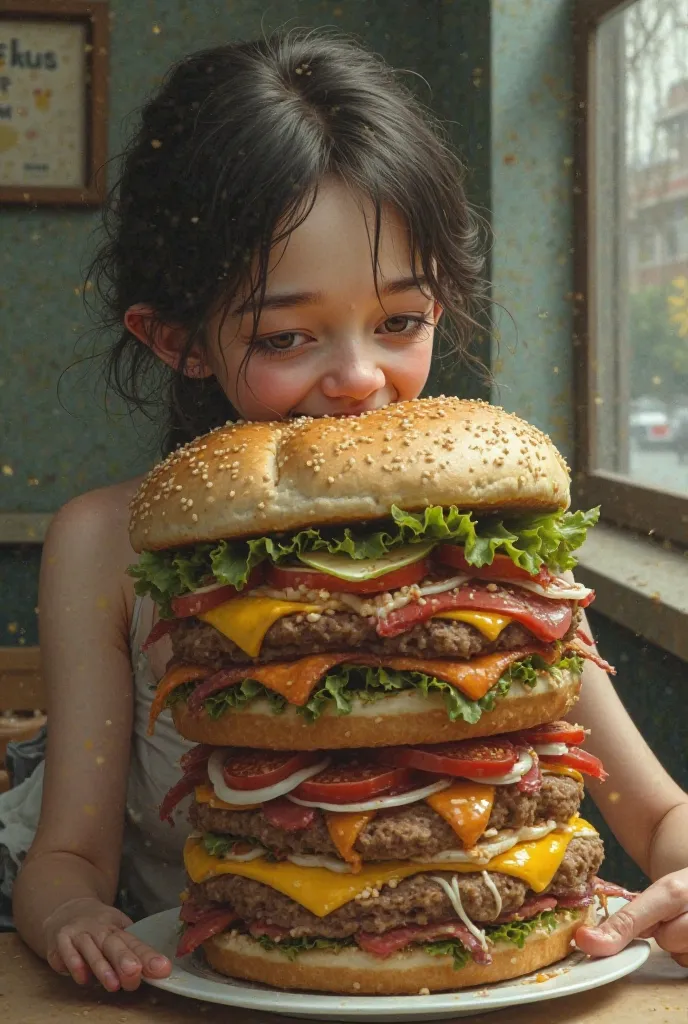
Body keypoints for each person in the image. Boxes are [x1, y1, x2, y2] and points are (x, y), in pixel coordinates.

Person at [7, 29, 688, 995]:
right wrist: (72, 912)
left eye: (400, 321)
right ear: (177, 339)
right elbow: (68, 857)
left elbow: (657, 816)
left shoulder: (490, 540)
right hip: (222, 988)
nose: (361, 378)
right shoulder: (103, 546)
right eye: (289, 334)